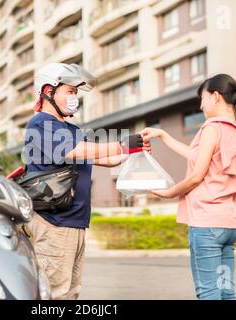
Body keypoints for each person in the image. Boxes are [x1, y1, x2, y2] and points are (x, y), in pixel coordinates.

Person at [24, 63, 150, 300]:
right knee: (53, 294)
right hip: (54, 222)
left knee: (71, 292)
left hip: (75, 221)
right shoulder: (41, 122)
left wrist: (133, 150)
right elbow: (74, 151)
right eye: (69, 92)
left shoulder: (72, 129)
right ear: (48, 91)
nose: (74, 98)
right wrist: (122, 144)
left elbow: (107, 159)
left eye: (76, 93)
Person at [140, 74, 236, 300]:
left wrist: (169, 193)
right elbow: (197, 157)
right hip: (227, 227)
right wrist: (163, 135)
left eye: (202, 99)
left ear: (215, 97)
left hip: (206, 228)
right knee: (226, 291)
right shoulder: (235, 130)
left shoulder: (211, 128)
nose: (201, 105)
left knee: (208, 293)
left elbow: (196, 176)